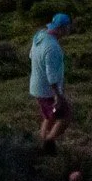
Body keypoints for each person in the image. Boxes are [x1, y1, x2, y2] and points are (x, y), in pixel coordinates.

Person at [29, 12, 73, 151]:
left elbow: (31, 55)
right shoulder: (52, 48)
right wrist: (58, 96)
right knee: (65, 116)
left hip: (37, 88)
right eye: (68, 27)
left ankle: (42, 140)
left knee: (50, 116)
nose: (69, 30)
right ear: (62, 28)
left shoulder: (39, 36)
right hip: (47, 91)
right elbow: (52, 76)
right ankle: (47, 144)